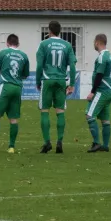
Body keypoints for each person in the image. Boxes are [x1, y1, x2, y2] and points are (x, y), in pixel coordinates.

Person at [0, 34, 29, 154]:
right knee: (13, 118)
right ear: (18, 44)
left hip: (6, 86)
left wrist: (2, 72)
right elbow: (25, 74)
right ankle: (11, 147)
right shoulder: (24, 56)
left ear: (7, 43)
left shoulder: (4, 53)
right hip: (18, 87)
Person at [35, 21, 77, 154]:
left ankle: (47, 142)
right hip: (61, 80)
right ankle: (59, 142)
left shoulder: (43, 44)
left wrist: (37, 81)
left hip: (47, 80)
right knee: (60, 111)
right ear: (60, 31)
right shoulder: (67, 45)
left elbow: (39, 66)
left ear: (49, 30)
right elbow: (73, 66)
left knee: (44, 110)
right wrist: (71, 85)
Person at [85, 34, 111, 153]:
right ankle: (105, 145)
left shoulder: (102, 57)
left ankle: (96, 143)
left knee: (89, 115)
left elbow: (99, 75)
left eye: (94, 42)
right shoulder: (110, 56)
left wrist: (92, 92)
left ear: (97, 42)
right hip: (109, 91)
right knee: (105, 120)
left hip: (102, 91)